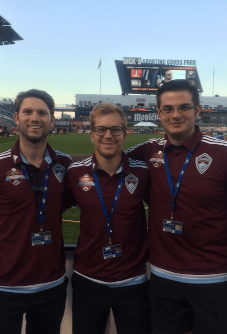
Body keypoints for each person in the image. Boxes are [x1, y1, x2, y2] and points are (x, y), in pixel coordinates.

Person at [126, 80, 227, 334]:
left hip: (214, 281)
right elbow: (109, 157)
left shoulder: (226, 152)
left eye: (184, 107)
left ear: (198, 110)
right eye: (167, 109)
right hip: (163, 279)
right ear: (159, 113)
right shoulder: (149, 151)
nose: (175, 114)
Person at [0, 89, 73, 334]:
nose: (34, 118)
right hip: (4, 287)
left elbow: (71, 197)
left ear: (52, 120)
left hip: (51, 285)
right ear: (16, 117)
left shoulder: (65, 165)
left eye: (42, 113)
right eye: (28, 111)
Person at [65, 103, 151, 334]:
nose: (108, 135)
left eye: (115, 129)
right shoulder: (75, 173)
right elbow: (49, 208)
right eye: (101, 129)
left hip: (133, 281)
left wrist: (224, 208)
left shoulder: (143, 173)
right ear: (91, 134)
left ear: (125, 133)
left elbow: (172, 204)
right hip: (88, 280)